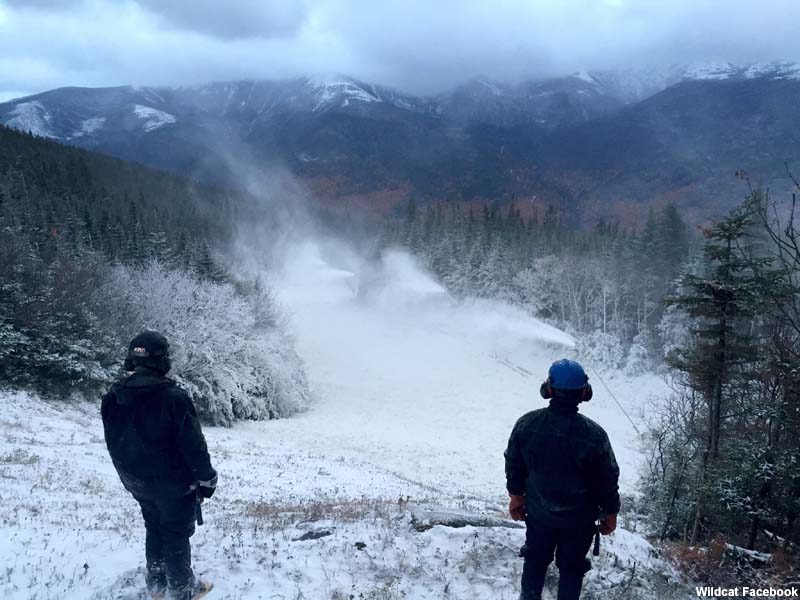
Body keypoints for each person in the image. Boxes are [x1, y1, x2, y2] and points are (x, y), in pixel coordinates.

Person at [101, 330, 218, 600]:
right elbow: (194, 446)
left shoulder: (113, 397)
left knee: (153, 524)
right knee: (176, 530)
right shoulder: (173, 398)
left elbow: (113, 442)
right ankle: (181, 589)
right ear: (163, 360)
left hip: (135, 481)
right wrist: (207, 479)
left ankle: (157, 584)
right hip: (173, 484)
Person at [504, 359, 620, 600]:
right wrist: (611, 512)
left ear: (549, 389)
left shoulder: (526, 424)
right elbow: (607, 479)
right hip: (579, 522)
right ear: (584, 393)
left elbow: (513, 462)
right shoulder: (595, 435)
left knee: (535, 561)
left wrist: (516, 496)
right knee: (571, 569)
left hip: (538, 514)